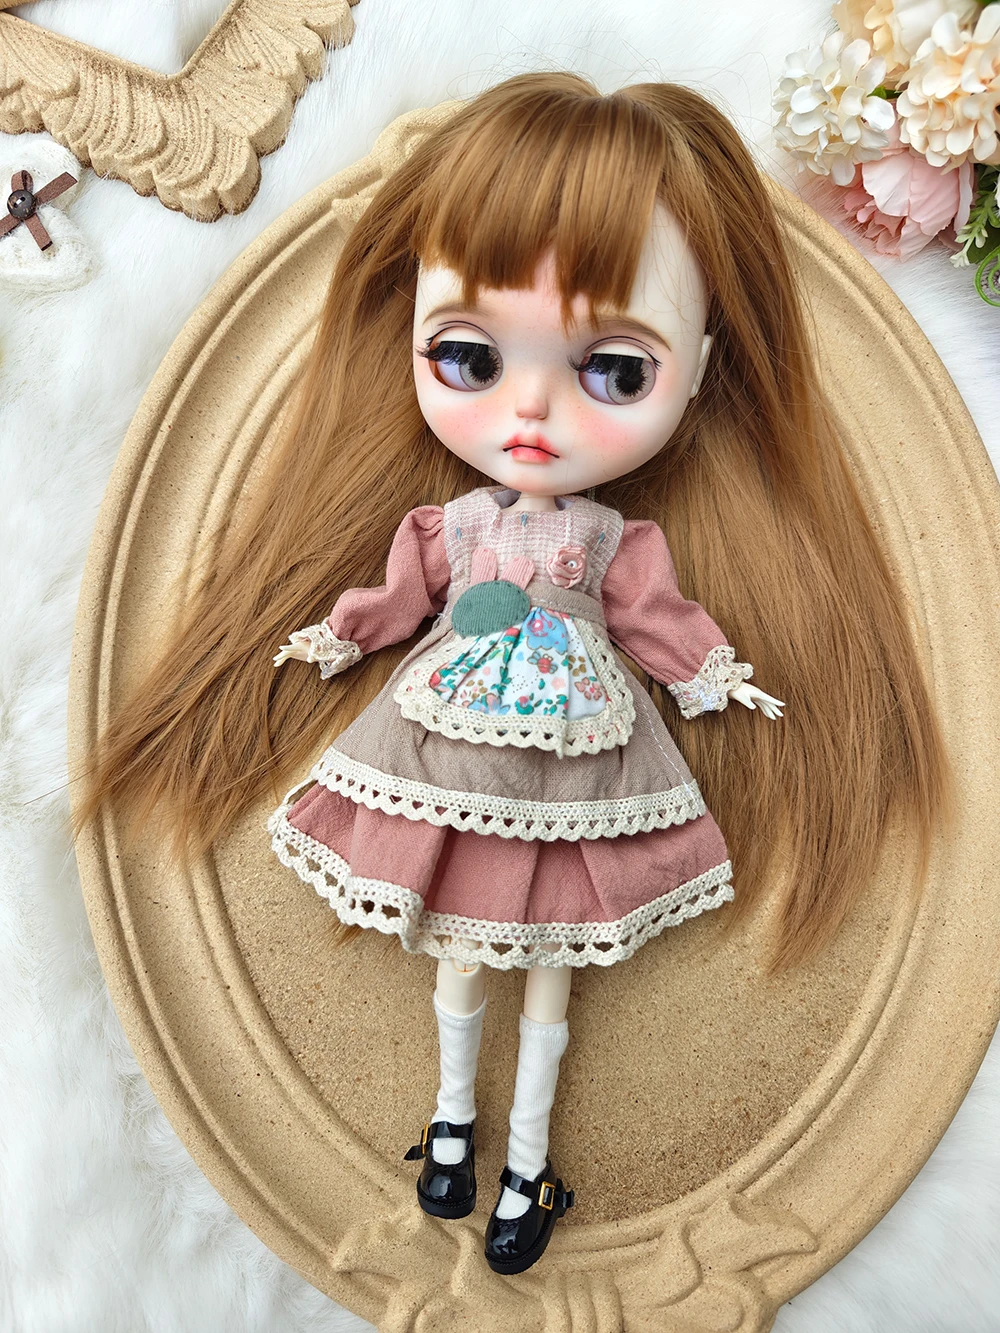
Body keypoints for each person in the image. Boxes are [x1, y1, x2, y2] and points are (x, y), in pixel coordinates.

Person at [77, 72, 949, 1276]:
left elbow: (656, 616)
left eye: (615, 372)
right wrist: (341, 634)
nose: (530, 408)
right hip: (449, 751)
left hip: (585, 765)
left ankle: (525, 1166)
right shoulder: (454, 527)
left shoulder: (611, 538)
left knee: (551, 966)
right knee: (463, 945)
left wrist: (713, 672)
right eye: (470, 354)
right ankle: (450, 1129)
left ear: (697, 369)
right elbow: (400, 597)